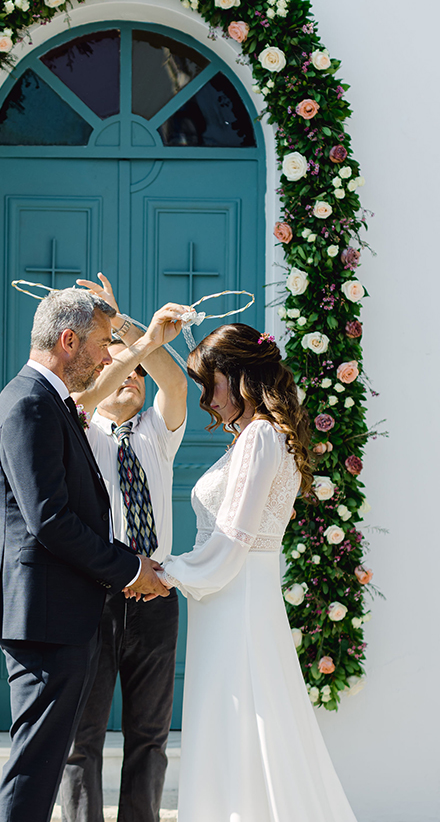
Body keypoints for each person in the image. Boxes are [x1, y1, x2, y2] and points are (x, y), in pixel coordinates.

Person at [0, 287, 172, 822]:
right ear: (69, 341)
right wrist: (132, 566)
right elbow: (51, 521)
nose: (106, 355)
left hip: (52, 615)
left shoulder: (45, 401)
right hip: (45, 620)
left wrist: (146, 342)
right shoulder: (30, 406)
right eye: (101, 343)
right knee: (34, 770)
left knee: (38, 769)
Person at [158, 323, 359, 822]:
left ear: (238, 376)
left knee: (243, 720)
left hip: (235, 601)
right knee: (243, 723)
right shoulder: (261, 436)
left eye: (211, 384)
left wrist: (166, 572)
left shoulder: (260, 437)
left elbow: (232, 544)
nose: (206, 399)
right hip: (233, 599)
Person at [61, 274, 188, 822]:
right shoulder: (78, 429)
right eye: (122, 370)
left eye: (137, 372)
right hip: (94, 597)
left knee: (149, 738)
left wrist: (125, 322)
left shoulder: (158, 432)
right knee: (81, 739)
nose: (132, 378)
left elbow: (175, 382)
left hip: (155, 596)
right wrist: (110, 334)